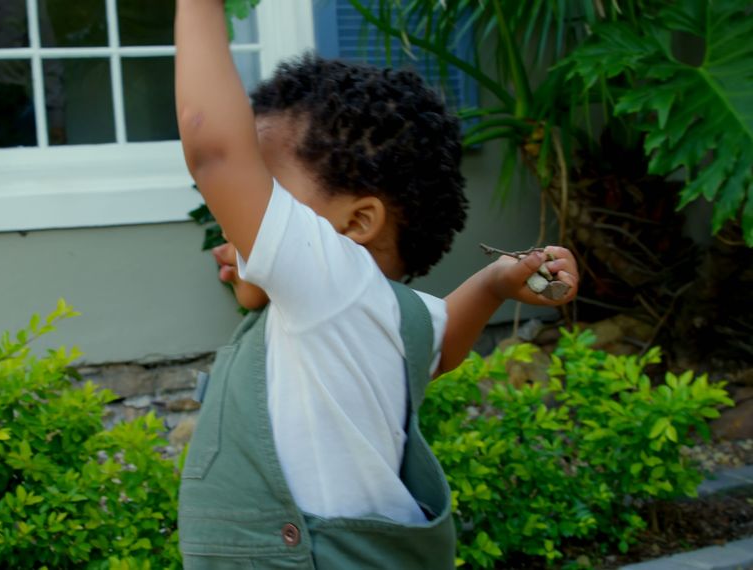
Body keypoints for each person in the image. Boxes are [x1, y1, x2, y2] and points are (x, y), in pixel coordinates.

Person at [174, 1, 579, 568]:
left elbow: (213, 147)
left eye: (264, 188)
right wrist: (492, 284)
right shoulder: (378, 312)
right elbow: (437, 347)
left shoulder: (328, 282)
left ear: (356, 223)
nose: (238, 212)